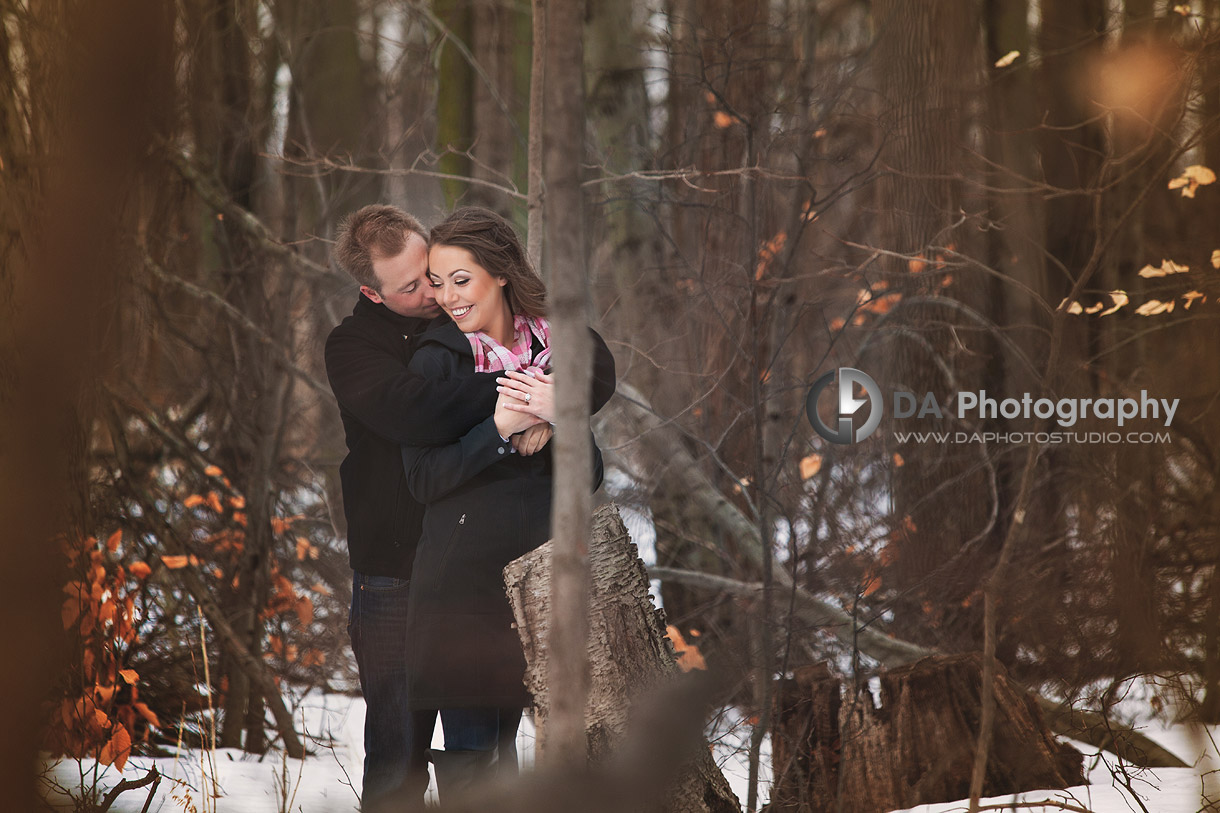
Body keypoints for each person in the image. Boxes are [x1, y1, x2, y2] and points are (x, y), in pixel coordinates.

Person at [325, 204, 614, 810]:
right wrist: (522, 401)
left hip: (477, 575)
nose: (434, 292)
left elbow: (587, 356)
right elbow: (417, 412)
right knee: (396, 752)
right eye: (415, 285)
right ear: (372, 293)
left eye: (437, 272)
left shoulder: (500, 332)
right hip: (391, 571)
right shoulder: (359, 349)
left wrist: (560, 394)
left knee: (482, 758)